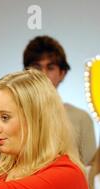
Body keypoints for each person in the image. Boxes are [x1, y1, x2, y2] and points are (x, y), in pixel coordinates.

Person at [23, 35, 96, 165]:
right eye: (37, 67)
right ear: (26, 73)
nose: (43, 74)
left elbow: (89, 175)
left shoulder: (81, 118)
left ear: (62, 73)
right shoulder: (14, 115)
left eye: (50, 67)